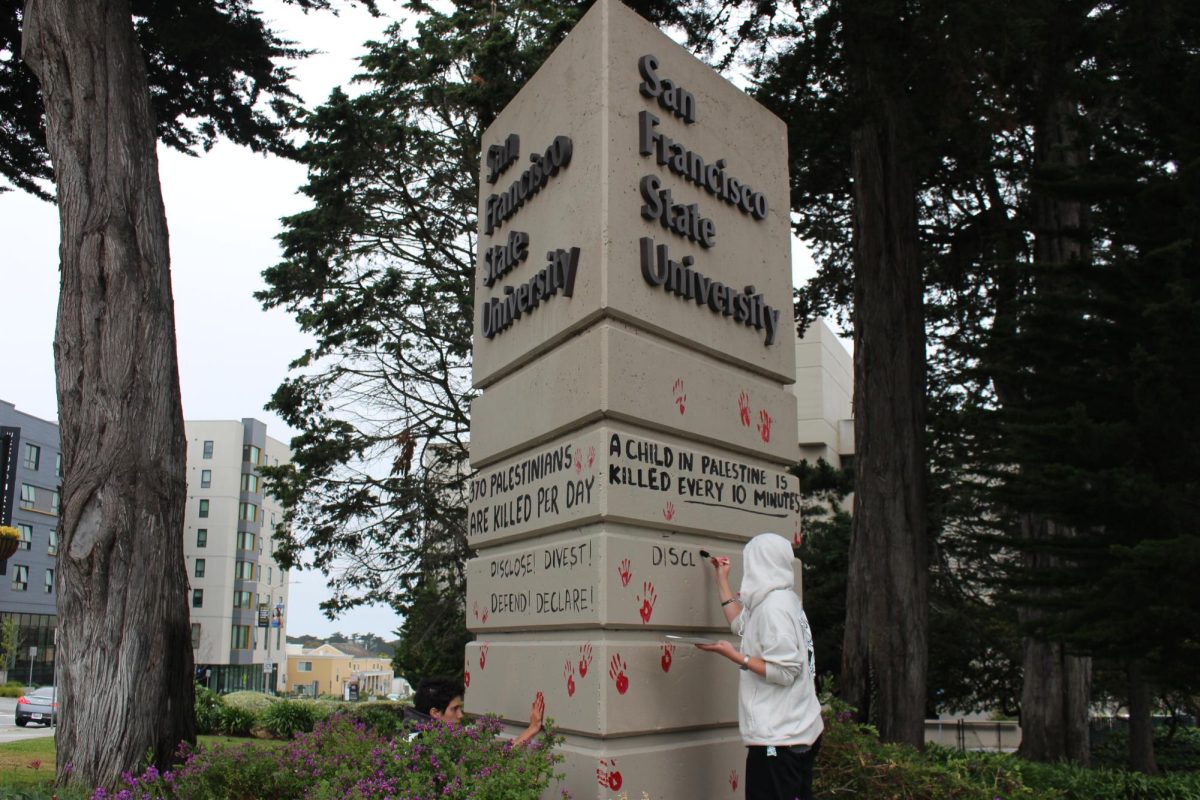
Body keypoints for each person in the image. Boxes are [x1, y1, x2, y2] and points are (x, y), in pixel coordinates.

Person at [695, 532, 823, 800]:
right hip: (795, 731)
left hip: (779, 740)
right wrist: (722, 579)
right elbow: (740, 624)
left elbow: (786, 671)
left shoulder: (773, 609)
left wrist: (734, 656)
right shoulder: (780, 599)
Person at [404, 676, 545, 746]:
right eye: (454, 709)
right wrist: (532, 728)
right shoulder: (422, 743)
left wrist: (532, 729)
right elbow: (494, 762)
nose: (460, 715)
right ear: (435, 713)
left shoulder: (409, 735)